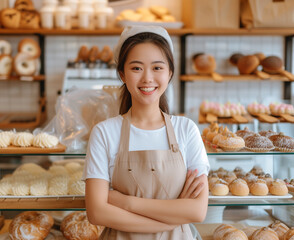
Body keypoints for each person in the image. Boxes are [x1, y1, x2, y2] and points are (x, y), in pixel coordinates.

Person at [83, 26, 210, 239]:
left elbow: (197, 211)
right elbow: (97, 212)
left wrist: (126, 202)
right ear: (122, 74)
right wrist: (173, 217)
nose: (147, 79)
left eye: (157, 68)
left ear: (169, 73)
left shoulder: (186, 130)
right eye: (136, 68)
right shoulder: (104, 133)